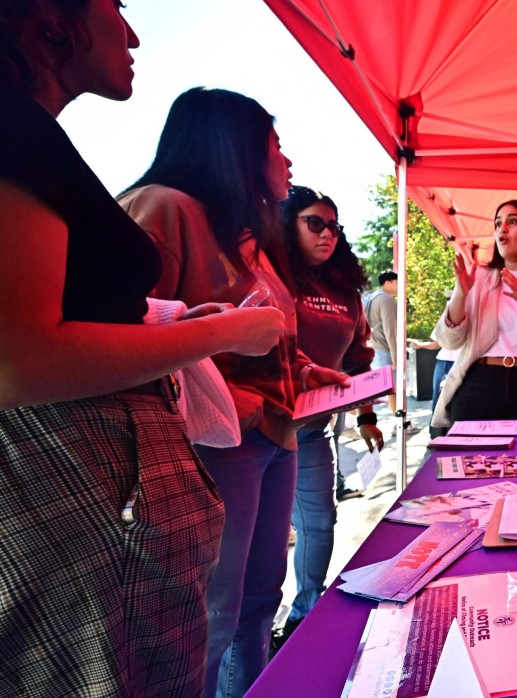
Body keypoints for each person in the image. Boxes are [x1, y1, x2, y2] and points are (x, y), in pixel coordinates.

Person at [0, 3, 283, 695]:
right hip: (93, 501)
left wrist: (169, 320)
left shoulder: (32, 136)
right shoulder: (17, 132)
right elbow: (20, 360)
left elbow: (69, 314)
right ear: (47, 17)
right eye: (116, 7)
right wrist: (223, 332)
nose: (132, 34)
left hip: (112, 506)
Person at [119, 87, 348, 698]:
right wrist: (234, 403)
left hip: (277, 433)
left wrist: (304, 368)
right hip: (217, 445)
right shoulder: (163, 209)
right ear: (236, 149)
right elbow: (127, 333)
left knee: (258, 599)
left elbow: (262, 332)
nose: (288, 163)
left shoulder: (250, 238)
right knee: (211, 618)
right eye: (276, 145)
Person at [272, 186, 383, 651]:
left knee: (319, 523)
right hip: (260, 426)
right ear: (287, 225)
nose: (327, 234)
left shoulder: (345, 293)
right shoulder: (273, 275)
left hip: (314, 428)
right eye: (314, 223)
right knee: (266, 538)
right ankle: (253, 634)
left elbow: (359, 360)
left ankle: (304, 615)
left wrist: (367, 415)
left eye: (334, 227)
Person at [432, 200, 517, 430]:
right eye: (497, 223)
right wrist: (461, 294)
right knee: (471, 462)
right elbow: (449, 341)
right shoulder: (478, 276)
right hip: (478, 382)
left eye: (512, 221)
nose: (502, 228)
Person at [364, 270, 401, 416]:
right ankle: (398, 422)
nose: (400, 286)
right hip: (384, 349)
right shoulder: (386, 299)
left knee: (377, 388)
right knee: (393, 388)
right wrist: (395, 353)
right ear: (388, 283)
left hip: (372, 346)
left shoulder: (372, 297)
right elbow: (389, 329)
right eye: (397, 283)